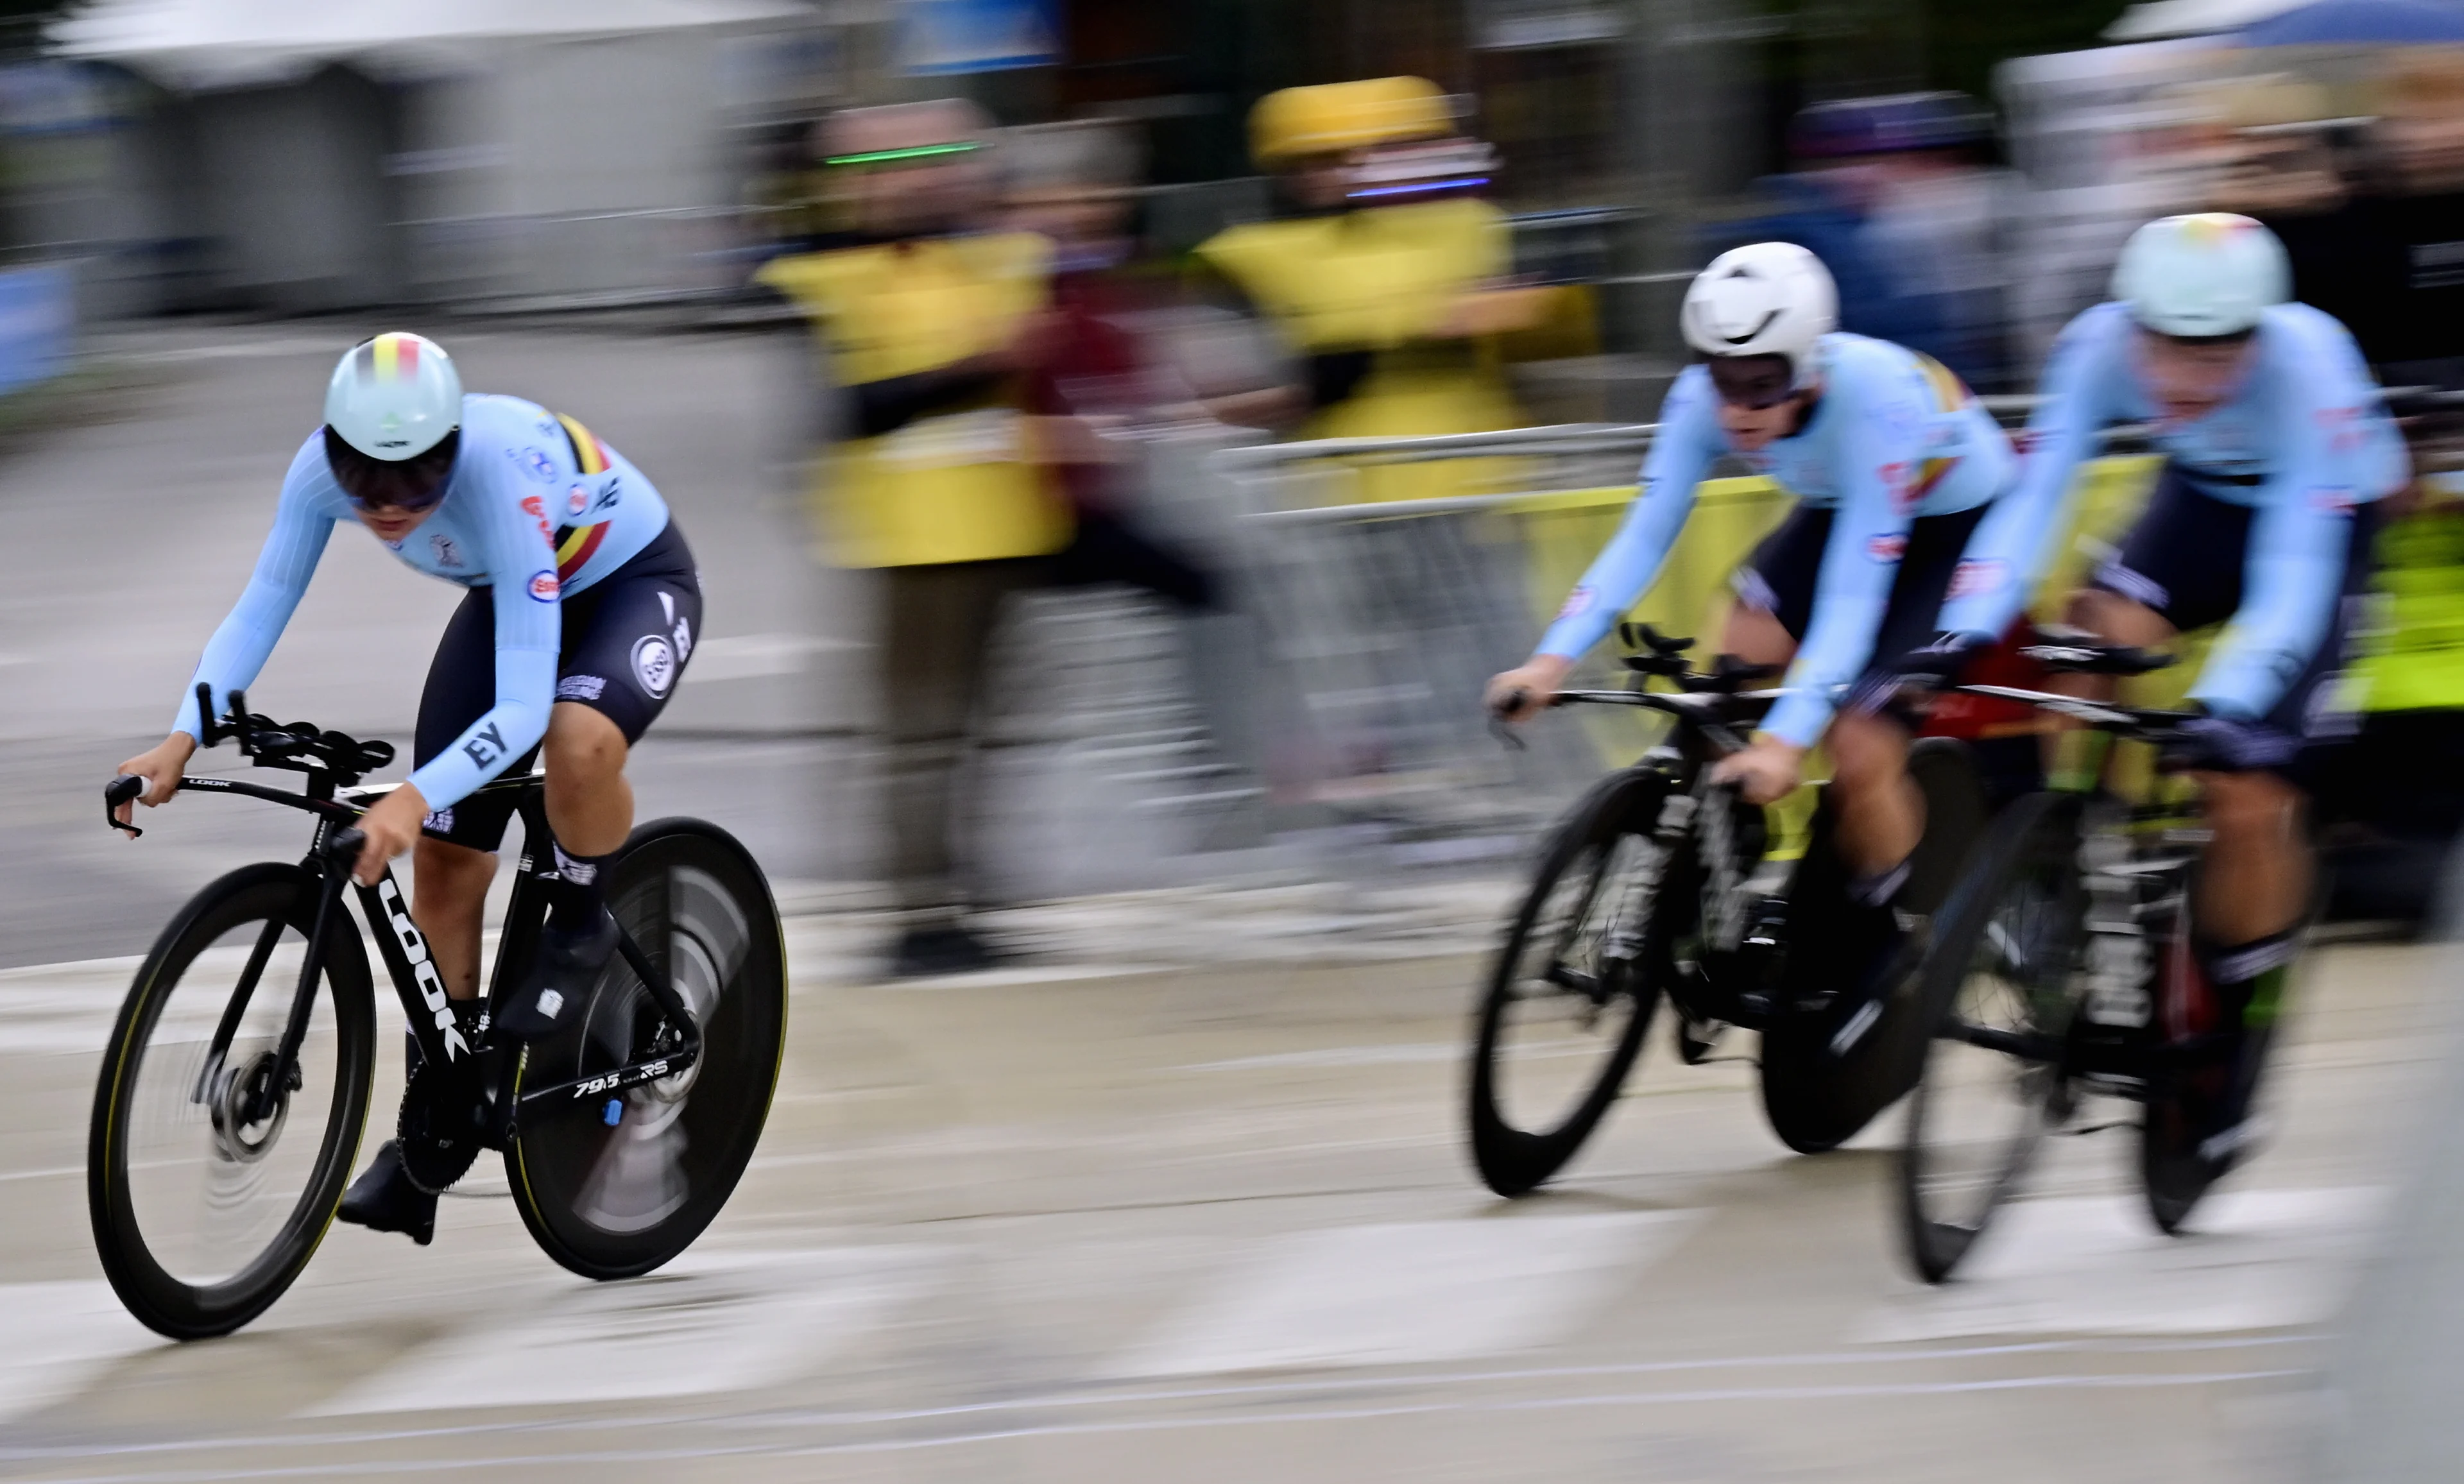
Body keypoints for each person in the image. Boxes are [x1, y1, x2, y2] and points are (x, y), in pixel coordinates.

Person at [112, 332, 701, 1244]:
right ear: (333, 450)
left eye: (420, 479)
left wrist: (410, 799)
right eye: (366, 480)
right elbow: (265, 597)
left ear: (455, 449)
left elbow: (516, 709)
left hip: (628, 581)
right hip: (513, 595)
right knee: (447, 871)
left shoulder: (500, 481)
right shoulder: (317, 474)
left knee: (576, 742)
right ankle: (438, 1128)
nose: (390, 506)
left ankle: (583, 923)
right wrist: (184, 733)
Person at [1929, 212, 2410, 1173]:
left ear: (2262, 333)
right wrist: (1965, 627)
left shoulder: (2308, 367)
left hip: (2323, 519)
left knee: (2244, 793)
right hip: (2198, 500)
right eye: (2170, 350)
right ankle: (2075, 862)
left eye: (2220, 351)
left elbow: (2292, 579)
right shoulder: (2094, 344)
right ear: (2132, 324)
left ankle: (2233, 1031)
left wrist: (2231, 710)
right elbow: (2036, 494)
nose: (2189, 377)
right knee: (2086, 640)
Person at [1486, 241, 2015, 1006]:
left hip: (1956, 528)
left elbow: (1850, 604)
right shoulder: (1702, 399)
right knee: (1725, 671)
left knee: (1861, 743)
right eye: (1722, 380)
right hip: (1843, 508)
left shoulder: (1875, 400)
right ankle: (1725, 857)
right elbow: (1646, 533)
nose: (1738, 410)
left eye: (1763, 386)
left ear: (1810, 365)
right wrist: (1549, 663)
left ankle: (1888, 927)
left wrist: (1785, 742)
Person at [754, 100, 1073, 977]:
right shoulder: (822, 282)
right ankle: (921, 913)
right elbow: (849, 409)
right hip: (908, 539)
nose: (925, 177)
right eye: (893, 166)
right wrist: (977, 365)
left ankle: (971, 897)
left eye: (944, 158)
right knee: (922, 734)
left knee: (992, 730)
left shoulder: (1004, 259)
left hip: (1010, 525)